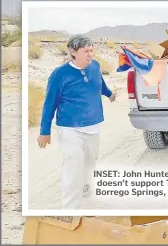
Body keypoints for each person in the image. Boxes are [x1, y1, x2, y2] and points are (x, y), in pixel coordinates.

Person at [38, 34, 116, 210]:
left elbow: (100, 84)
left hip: (93, 125)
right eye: (86, 51)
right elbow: (49, 103)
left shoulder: (95, 66)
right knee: (73, 166)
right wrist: (45, 131)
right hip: (69, 128)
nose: (90, 54)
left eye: (92, 50)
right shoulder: (59, 75)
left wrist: (110, 94)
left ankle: (86, 186)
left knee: (90, 162)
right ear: (74, 51)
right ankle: (70, 209)